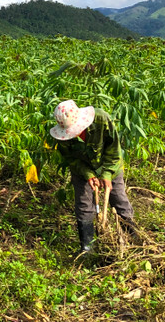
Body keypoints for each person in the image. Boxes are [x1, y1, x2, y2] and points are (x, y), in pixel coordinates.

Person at [50, 99, 137, 256]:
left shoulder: (101, 119)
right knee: (84, 204)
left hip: (109, 164)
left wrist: (107, 174)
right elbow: (71, 159)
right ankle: (87, 248)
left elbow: (114, 149)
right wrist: (89, 175)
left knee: (119, 200)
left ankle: (134, 240)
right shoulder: (61, 137)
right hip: (82, 168)